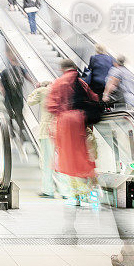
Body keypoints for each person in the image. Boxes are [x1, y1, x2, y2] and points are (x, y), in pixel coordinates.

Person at [46, 59, 98, 204]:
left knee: (69, 161)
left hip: (65, 124)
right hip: (81, 121)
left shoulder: (59, 82)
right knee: (83, 158)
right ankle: (88, 192)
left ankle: (75, 195)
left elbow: (51, 106)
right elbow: (93, 97)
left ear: (62, 69)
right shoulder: (81, 82)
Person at [28, 80, 57, 198]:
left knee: (46, 161)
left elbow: (30, 101)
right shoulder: (58, 91)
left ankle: (48, 190)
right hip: (59, 129)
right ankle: (66, 191)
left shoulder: (42, 91)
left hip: (46, 131)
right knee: (59, 161)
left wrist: (36, 89)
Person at [0, 50, 29, 136]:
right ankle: (19, 129)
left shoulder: (5, 72)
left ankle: (14, 130)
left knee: (11, 113)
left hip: (10, 96)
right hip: (15, 96)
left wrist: (3, 94)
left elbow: (1, 86)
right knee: (18, 112)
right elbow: (27, 77)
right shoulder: (19, 70)